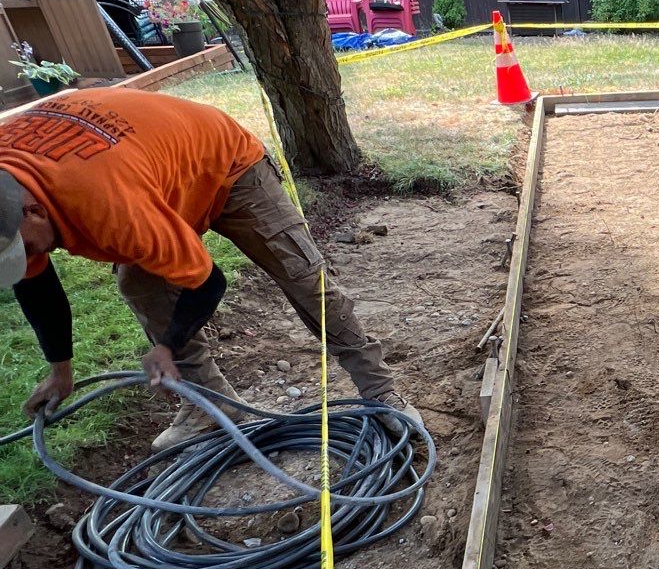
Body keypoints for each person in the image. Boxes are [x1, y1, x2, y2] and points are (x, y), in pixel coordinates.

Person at [0, 84, 410, 446]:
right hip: (147, 173)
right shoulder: (9, 191)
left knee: (301, 275)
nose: (30, 256)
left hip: (225, 163)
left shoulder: (107, 207)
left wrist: (166, 346)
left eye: (26, 247)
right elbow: (35, 285)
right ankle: (211, 406)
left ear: (33, 209)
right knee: (141, 286)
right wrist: (60, 371)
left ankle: (379, 390)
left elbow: (208, 282)